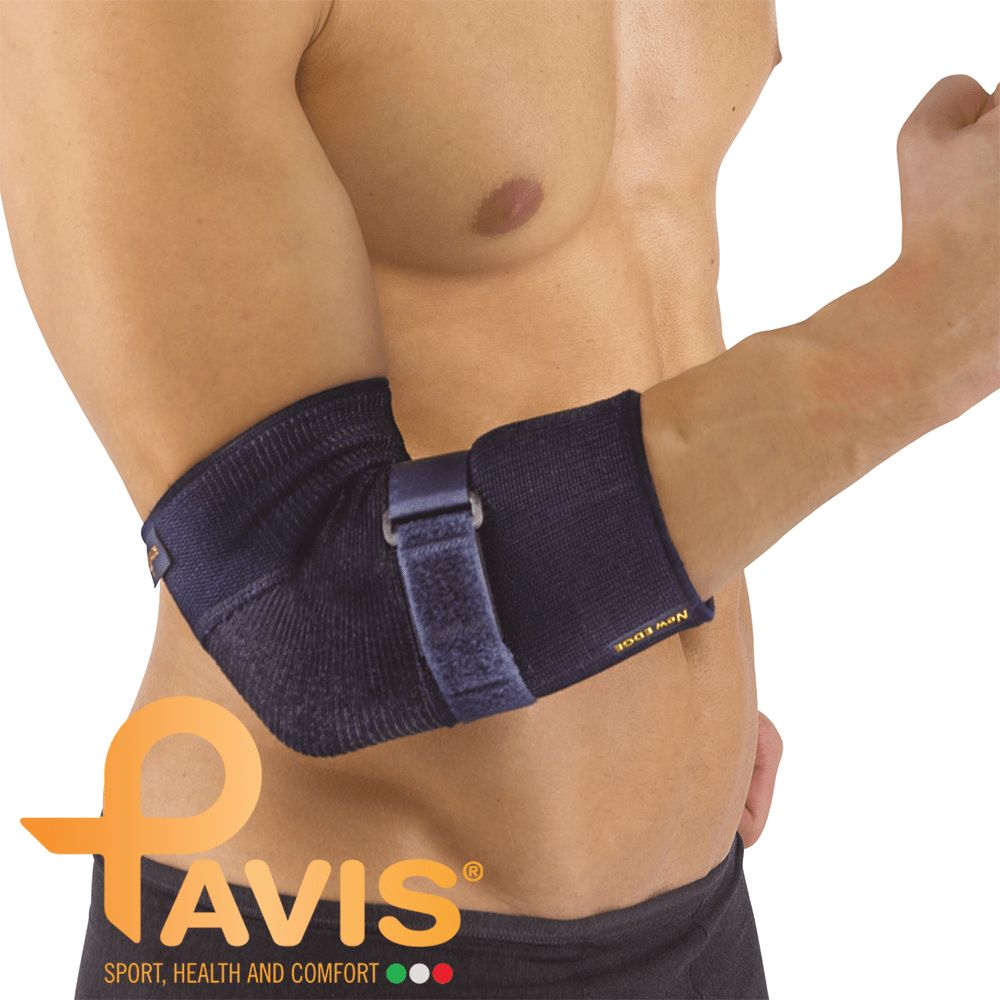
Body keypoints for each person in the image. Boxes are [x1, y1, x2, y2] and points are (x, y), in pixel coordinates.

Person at [1, 2, 996, 998]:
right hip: (329, 937)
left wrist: (650, 701)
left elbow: (608, 269)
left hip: (702, 916)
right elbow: (309, 610)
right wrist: (914, 343)